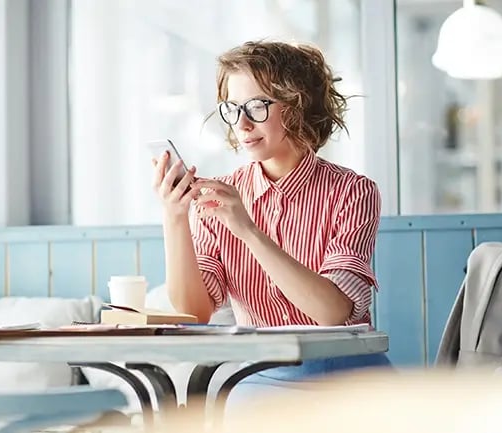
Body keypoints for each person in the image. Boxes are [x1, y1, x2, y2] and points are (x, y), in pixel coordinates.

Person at [151, 40, 390, 404]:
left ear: (298, 105)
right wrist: (175, 217)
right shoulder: (222, 197)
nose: (242, 124)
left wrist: (248, 230)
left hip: (350, 376)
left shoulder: (353, 192)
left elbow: (332, 312)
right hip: (260, 377)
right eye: (232, 109)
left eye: (258, 106)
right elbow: (194, 312)